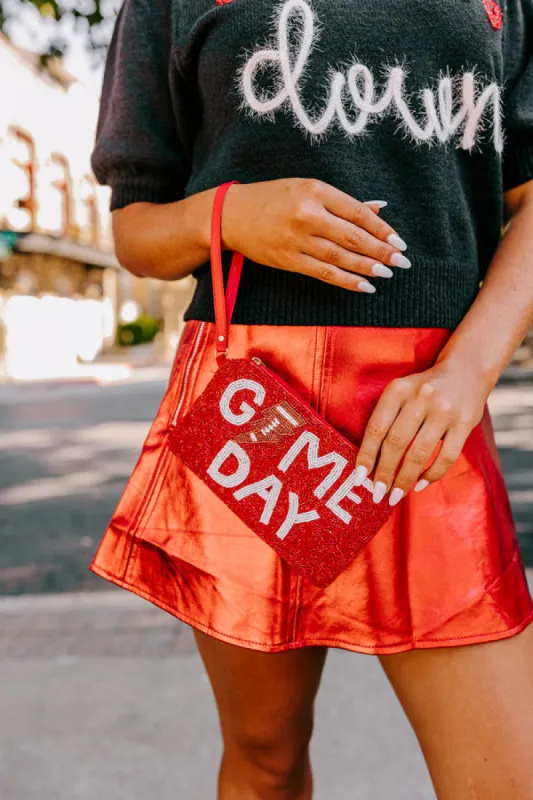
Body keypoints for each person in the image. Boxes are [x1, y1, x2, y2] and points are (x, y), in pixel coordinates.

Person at [89, 0, 533, 796]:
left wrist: (467, 372)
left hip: (423, 415)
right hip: (256, 409)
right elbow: (136, 229)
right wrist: (229, 213)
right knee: (265, 754)